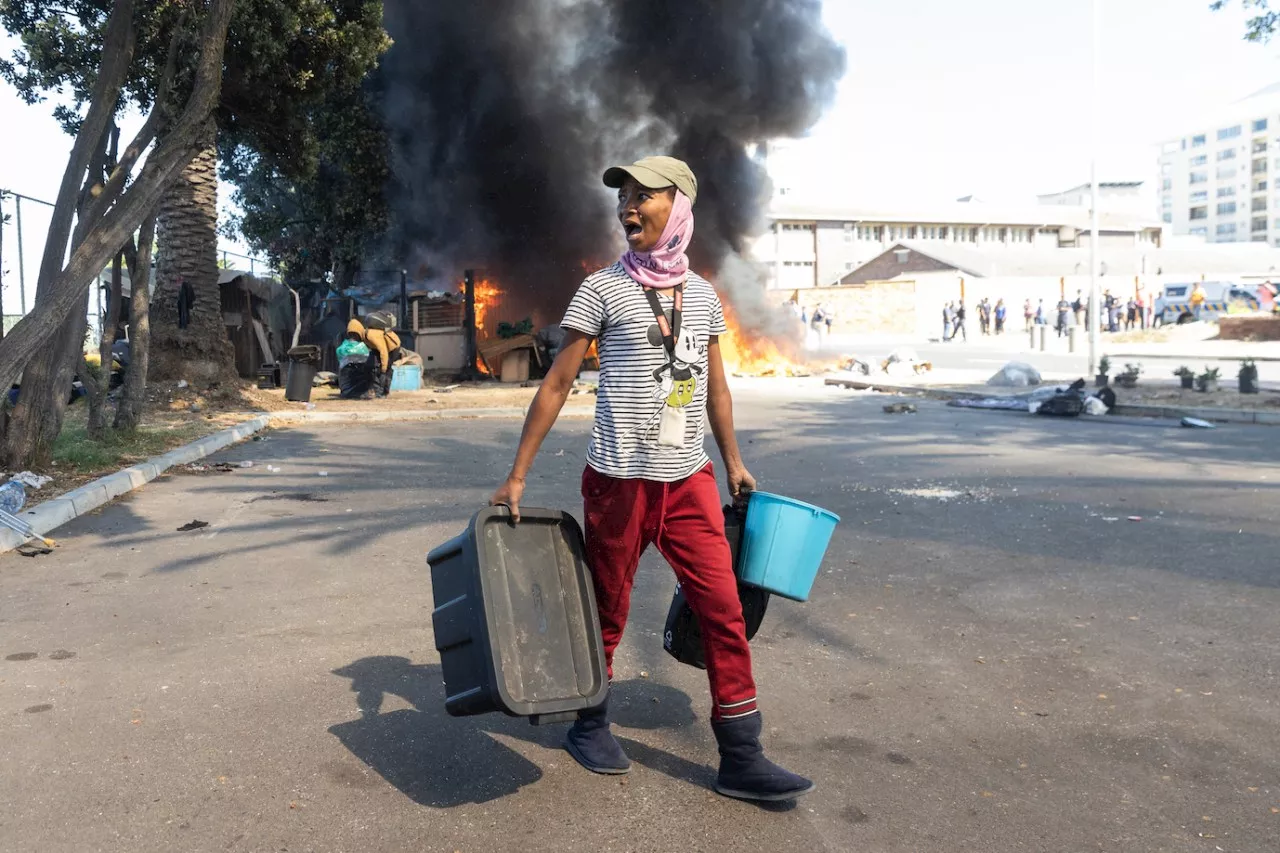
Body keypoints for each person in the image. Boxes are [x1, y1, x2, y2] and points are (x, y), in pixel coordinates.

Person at [489, 156, 812, 802]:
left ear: (680, 207)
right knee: (609, 610)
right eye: (624, 198)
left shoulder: (702, 297)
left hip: (687, 480)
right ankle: (590, 721)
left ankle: (742, 753)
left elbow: (716, 390)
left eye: (644, 197)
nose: (627, 208)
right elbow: (556, 384)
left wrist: (735, 462)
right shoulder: (602, 290)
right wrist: (517, 475)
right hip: (619, 479)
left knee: (723, 609)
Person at [346, 317, 405, 396]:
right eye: (350, 335)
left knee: (384, 370)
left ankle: (383, 392)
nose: (353, 338)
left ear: (359, 332)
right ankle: (373, 390)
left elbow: (383, 351)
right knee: (368, 367)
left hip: (392, 347)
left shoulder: (370, 336)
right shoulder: (364, 339)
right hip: (378, 349)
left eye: (354, 334)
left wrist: (383, 368)